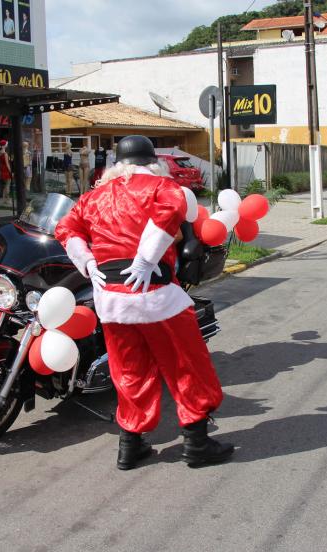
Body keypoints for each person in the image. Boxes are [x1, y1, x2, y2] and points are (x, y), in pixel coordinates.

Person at [54, 135, 234, 470]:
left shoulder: (95, 196)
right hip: (155, 296)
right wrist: (146, 259)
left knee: (128, 372)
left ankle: (130, 446)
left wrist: (89, 263)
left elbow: (65, 227)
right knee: (186, 365)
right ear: (153, 161)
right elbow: (174, 206)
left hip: (110, 299)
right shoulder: (160, 187)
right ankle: (196, 443)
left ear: (117, 164)